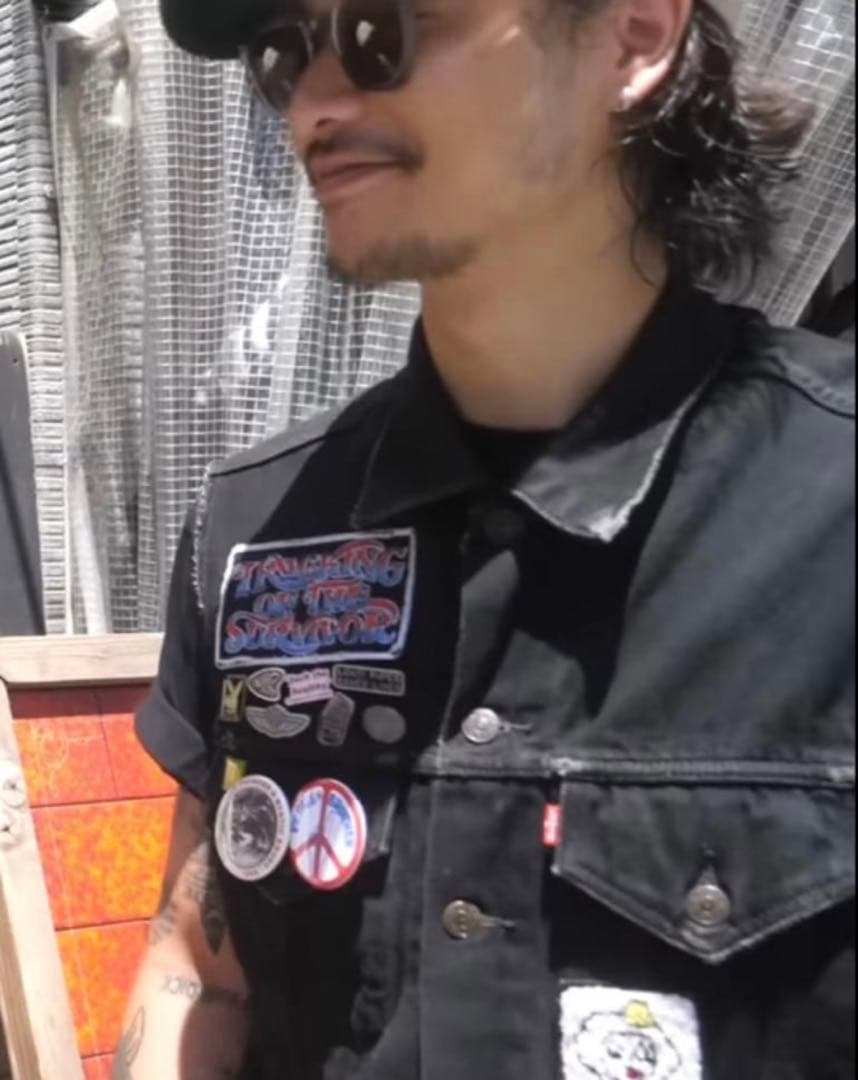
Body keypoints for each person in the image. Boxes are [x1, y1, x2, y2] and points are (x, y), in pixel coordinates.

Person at [117, 0, 855, 1077]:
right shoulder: (257, 525)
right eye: (284, 54)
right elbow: (198, 960)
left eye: (378, 30)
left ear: (635, 35)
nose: (313, 103)